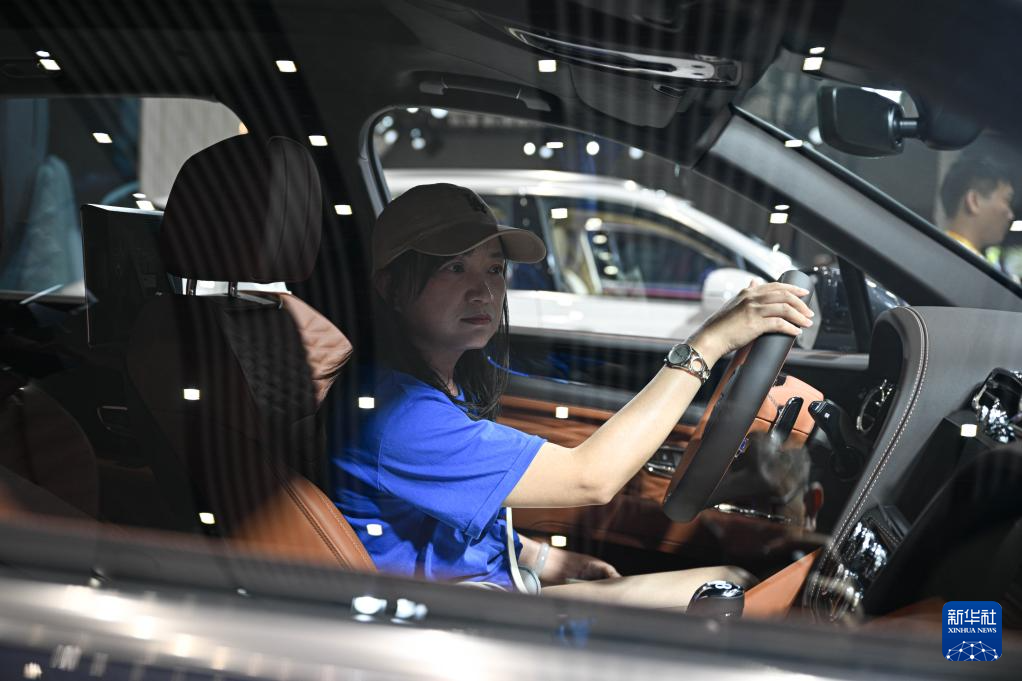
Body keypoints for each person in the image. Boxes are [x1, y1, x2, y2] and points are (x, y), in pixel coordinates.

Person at [332, 183, 814, 609]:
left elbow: (447, 514)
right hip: (458, 622)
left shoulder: (440, 384)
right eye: (454, 268)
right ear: (391, 287)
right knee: (734, 590)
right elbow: (591, 480)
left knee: (735, 585)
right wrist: (708, 343)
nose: (483, 291)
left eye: (494, 269)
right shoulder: (400, 416)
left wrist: (546, 559)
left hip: (489, 591)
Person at [940, 157, 1016, 264]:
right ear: (974, 201)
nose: (1010, 215)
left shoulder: (938, 251)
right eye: (1006, 200)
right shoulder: (966, 264)